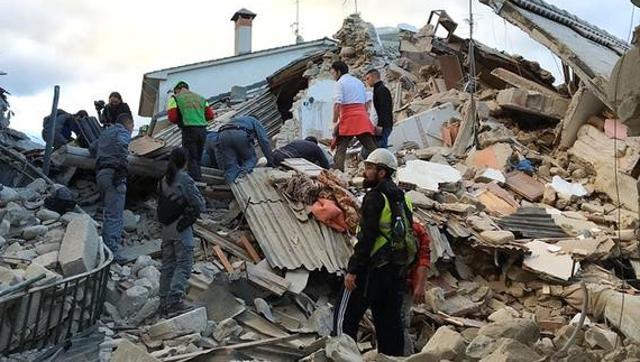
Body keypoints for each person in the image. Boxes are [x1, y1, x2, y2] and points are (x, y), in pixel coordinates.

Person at [333, 148, 415, 356]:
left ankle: (342, 356)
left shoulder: (375, 197)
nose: (365, 171)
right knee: (389, 323)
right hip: (395, 270)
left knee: (344, 318)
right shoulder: (403, 198)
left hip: (371, 269)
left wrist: (353, 270)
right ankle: (392, 358)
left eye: (370, 168)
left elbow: (366, 238)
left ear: (382, 172)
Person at [156, 147, 205, 316]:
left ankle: (163, 302)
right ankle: (175, 301)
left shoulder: (163, 180)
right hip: (181, 228)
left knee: (168, 265)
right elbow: (199, 204)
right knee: (184, 264)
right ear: (185, 162)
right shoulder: (184, 179)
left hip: (166, 230)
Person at [89, 113, 134, 263]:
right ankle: (112, 253)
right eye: (132, 127)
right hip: (114, 174)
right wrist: (121, 166)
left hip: (101, 174)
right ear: (128, 123)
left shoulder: (105, 133)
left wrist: (104, 155)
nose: (131, 130)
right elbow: (123, 144)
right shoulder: (122, 132)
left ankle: (104, 247)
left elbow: (92, 148)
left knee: (108, 212)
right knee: (115, 214)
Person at [330, 61, 378, 172]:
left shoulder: (340, 83)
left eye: (333, 73)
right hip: (361, 116)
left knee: (341, 146)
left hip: (348, 117)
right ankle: (383, 162)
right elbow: (367, 102)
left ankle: (338, 170)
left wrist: (334, 121)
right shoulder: (359, 82)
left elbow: (337, 104)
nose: (333, 76)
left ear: (338, 72)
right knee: (370, 145)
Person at [167, 81, 215, 181]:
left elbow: (172, 117)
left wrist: (182, 120)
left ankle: (195, 182)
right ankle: (199, 178)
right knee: (198, 157)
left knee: (190, 158)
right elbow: (210, 116)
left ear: (176, 90)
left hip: (189, 130)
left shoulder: (175, 98)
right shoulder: (201, 98)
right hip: (202, 130)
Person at [402, 221, 431, 355]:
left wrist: (419, 286)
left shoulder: (417, 230)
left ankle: (405, 356)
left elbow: (423, 259)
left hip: (404, 285)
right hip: (385, 284)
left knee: (401, 323)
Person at [217, 115, 273, 183]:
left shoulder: (236, 120)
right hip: (239, 133)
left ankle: (230, 185)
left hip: (222, 135)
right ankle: (242, 176)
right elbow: (264, 141)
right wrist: (271, 161)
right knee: (251, 159)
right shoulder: (254, 120)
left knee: (231, 166)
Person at [365, 69, 394, 148]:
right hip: (381, 125)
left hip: (383, 126)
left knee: (381, 148)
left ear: (374, 77)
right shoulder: (378, 90)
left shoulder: (381, 90)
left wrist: (380, 125)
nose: (367, 82)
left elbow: (384, 109)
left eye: (368, 78)